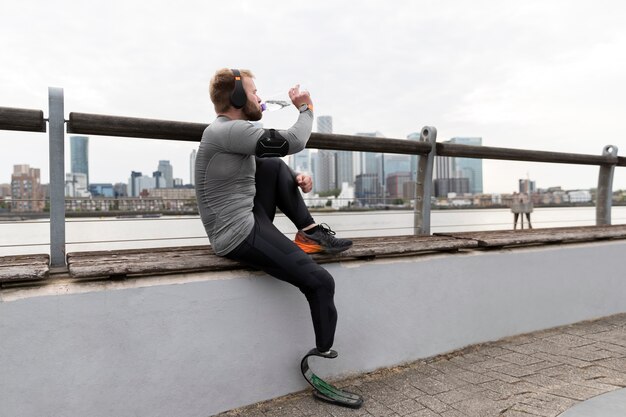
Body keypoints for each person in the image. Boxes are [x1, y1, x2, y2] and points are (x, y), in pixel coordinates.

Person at [195, 68, 352, 355]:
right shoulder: (227, 130)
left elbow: (268, 164)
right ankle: (321, 356)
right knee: (320, 283)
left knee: (273, 165)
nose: (260, 98)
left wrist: (296, 177)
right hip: (236, 234)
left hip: (248, 216)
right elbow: (294, 140)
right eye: (254, 92)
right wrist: (305, 108)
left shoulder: (230, 133)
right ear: (239, 96)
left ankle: (310, 235)